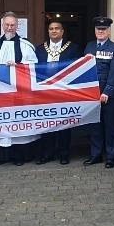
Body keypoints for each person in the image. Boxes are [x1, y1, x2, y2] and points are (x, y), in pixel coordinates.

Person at [0, 11, 39, 165]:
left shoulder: (25, 44)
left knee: (17, 122)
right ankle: (1, 156)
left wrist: (18, 66)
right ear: (2, 25)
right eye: (7, 25)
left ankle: (19, 156)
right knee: (1, 121)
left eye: (12, 25)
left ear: (17, 26)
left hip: (18, 90)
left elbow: (33, 65)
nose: (9, 28)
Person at [35, 20, 82, 165]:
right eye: (51, 29)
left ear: (62, 32)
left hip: (64, 92)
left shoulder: (73, 48)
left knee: (64, 123)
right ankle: (47, 153)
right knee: (46, 123)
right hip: (44, 92)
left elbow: (77, 69)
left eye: (57, 29)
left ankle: (64, 153)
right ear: (48, 31)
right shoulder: (40, 49)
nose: (54, 31)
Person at [83, 16, 114, 168]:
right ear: (95, 31)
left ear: (109, 31)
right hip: (92, 93)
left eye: (103, 29)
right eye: (98, 29)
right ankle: (96, 155)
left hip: (108, 94)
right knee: (95, 125)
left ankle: (111, 156)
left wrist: (107, 91)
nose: (100, 32)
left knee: (110, 126)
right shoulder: (89, 47)